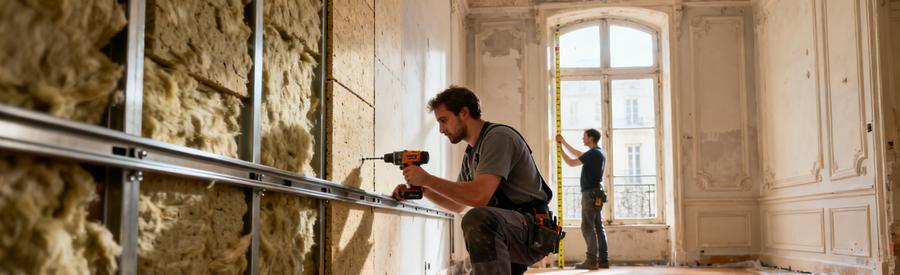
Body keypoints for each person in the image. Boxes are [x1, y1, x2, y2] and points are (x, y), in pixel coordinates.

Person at [394, 86, 557, 275]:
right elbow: (456, 205)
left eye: (444, 120)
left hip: (532, 228)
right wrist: (422, 189)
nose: (441, 130)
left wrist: (428, 179)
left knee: (477, 219)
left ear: (463, 113)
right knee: (479, 221)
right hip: (506, 227)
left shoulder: (498, 137)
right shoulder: (471, 154)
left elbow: (479, 196)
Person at [556, 129, 609, 269]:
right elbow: (578, 154)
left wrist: (560, 149)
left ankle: (591, 261)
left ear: (590, 138)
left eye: (584, 136)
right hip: (597, 192)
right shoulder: (599, 152)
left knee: (587, 226)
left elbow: (571, 162)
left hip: (590, 194)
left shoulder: (593, 153)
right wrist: (564, 142)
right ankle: (603, 260)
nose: (582, 138)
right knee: (598, 226)